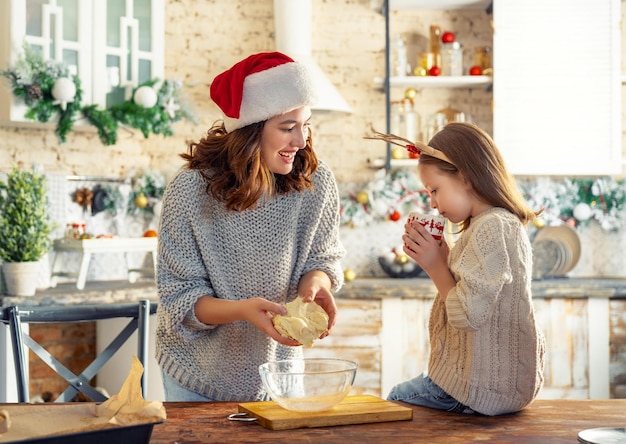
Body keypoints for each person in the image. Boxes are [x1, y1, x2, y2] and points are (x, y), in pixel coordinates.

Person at [154, 52, 346, 402]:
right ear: (249, 131)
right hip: (198, 377)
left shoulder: (316, 183)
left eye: (306, 125)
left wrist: (315, 286)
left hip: (281, 375)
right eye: (287, 128)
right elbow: (180, 300)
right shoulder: (190, 190)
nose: (301, 141)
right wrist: (243, 310)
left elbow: (322, 258)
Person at [382, 122, 545, 416]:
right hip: (496, 385)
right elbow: (474, 294)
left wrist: (435, 268)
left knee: (396, 398)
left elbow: (467, 314)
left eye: (435, 190)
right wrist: (442, 256)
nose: (432, 202)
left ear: (466, 177)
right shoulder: (492, 224)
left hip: (478, 389)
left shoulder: (492, 227)